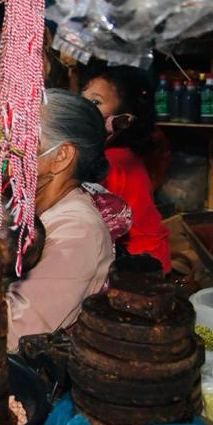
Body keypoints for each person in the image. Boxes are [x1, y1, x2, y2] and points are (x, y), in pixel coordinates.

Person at [0, 90, 113, 352]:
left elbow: (15, 332)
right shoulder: (35, 207)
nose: (5, 153)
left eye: (20, 143)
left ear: (61, 156)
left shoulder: (78, 230)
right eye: (7, 141)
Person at [82, 66, 171, 272]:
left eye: (95, 102)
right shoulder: (117, 154)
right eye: (83, 98)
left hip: (141, 263)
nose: (84, 107)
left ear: (122, 119)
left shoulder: (112, 161)